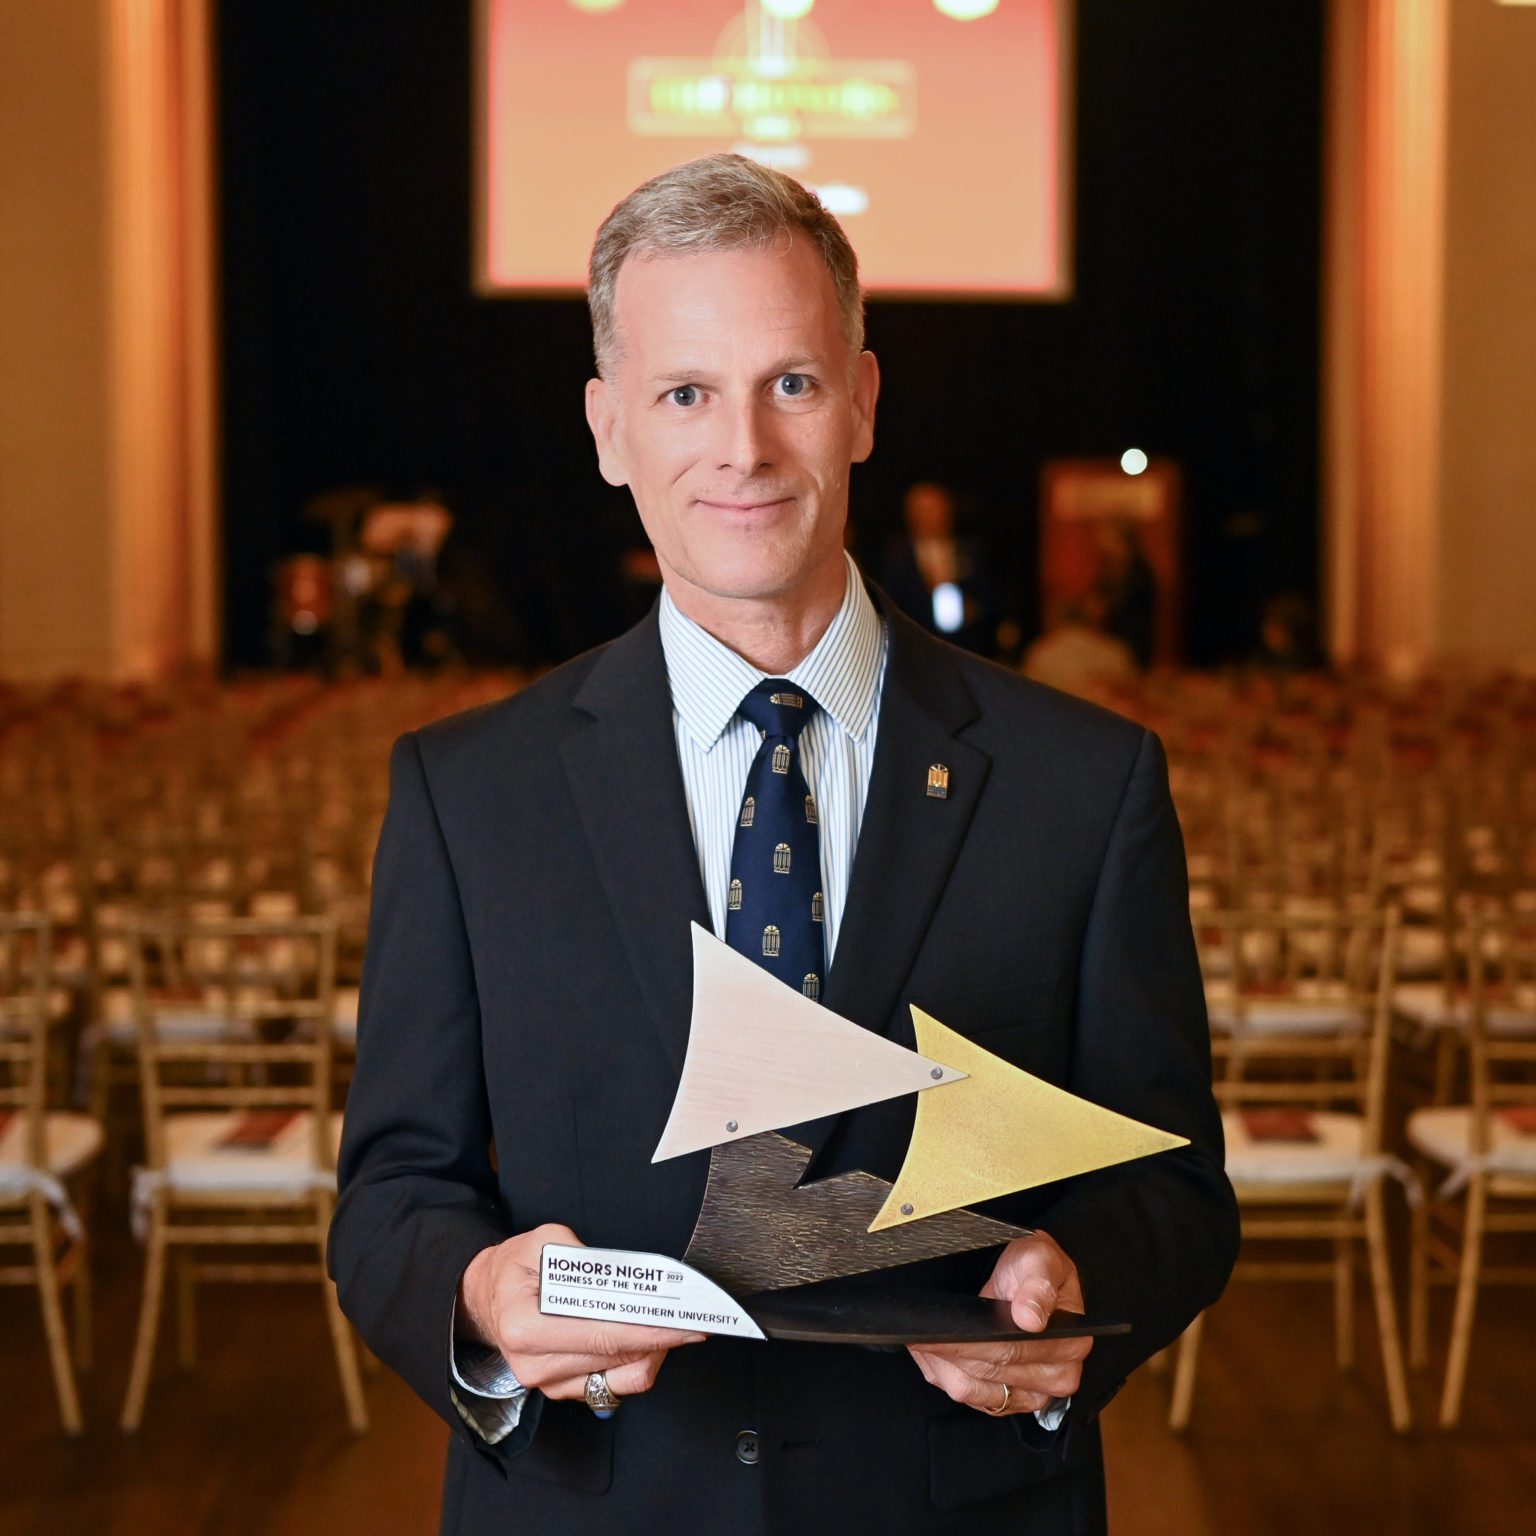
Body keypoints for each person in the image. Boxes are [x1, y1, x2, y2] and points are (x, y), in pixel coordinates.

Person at [329, 154, 1237, 1536]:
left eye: (791, 384)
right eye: (685, 393)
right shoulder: (468, 793)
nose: (742, 447)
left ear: (861, 403)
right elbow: (392, 1194)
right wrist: (479, 1295)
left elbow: (1175, 1185)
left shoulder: (1085, 783)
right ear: (608, 428)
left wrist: (1083, 1283)